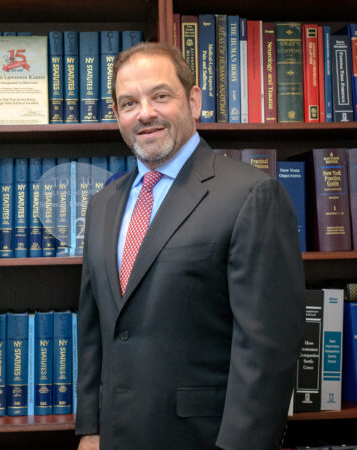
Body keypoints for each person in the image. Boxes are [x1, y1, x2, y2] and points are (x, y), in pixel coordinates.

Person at [75, 43, 304, 450]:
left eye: (160, 96)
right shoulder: (102, 206)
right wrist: (91, 429)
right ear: (117, 116)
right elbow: (94, 330)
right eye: (129, 102)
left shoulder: (251, 195)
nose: (145, 112)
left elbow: (267, 352)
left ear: (193, 101)